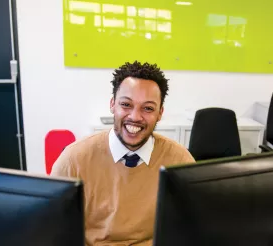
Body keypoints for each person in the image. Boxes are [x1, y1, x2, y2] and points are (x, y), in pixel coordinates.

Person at [51, 61, 195, 245]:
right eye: (126, 104)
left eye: (148, 108)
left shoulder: (180, 160)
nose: (135, 117)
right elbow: (54, 229)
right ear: (112, 105)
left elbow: (191, 227)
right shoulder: (73, 160)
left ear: (160, 113)